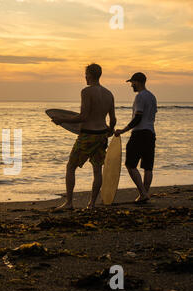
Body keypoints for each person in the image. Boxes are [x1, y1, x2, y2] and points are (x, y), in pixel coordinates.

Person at [53, 64, 116, 209]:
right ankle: (92, 203)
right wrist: (110, 130)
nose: (85, 77)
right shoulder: (109, 94)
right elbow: (113, 120)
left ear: (90, 75)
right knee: (97, 169)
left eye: (85, 74)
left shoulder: (86, 92)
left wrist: (62, 120)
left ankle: (69, 202)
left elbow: (83, 116)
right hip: (101, 136)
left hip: (88, 135)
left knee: (71, 167)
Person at [115, 72, 157, 203]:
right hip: (150, 133)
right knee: (148, 167)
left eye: (132, 82)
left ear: (138, 82)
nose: (131, 85)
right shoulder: (152, 97)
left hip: (139, 133)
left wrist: (123, 130)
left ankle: (143, 193)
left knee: (130, 164)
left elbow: (138, 117)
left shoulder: (140, 97)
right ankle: (145, 194)